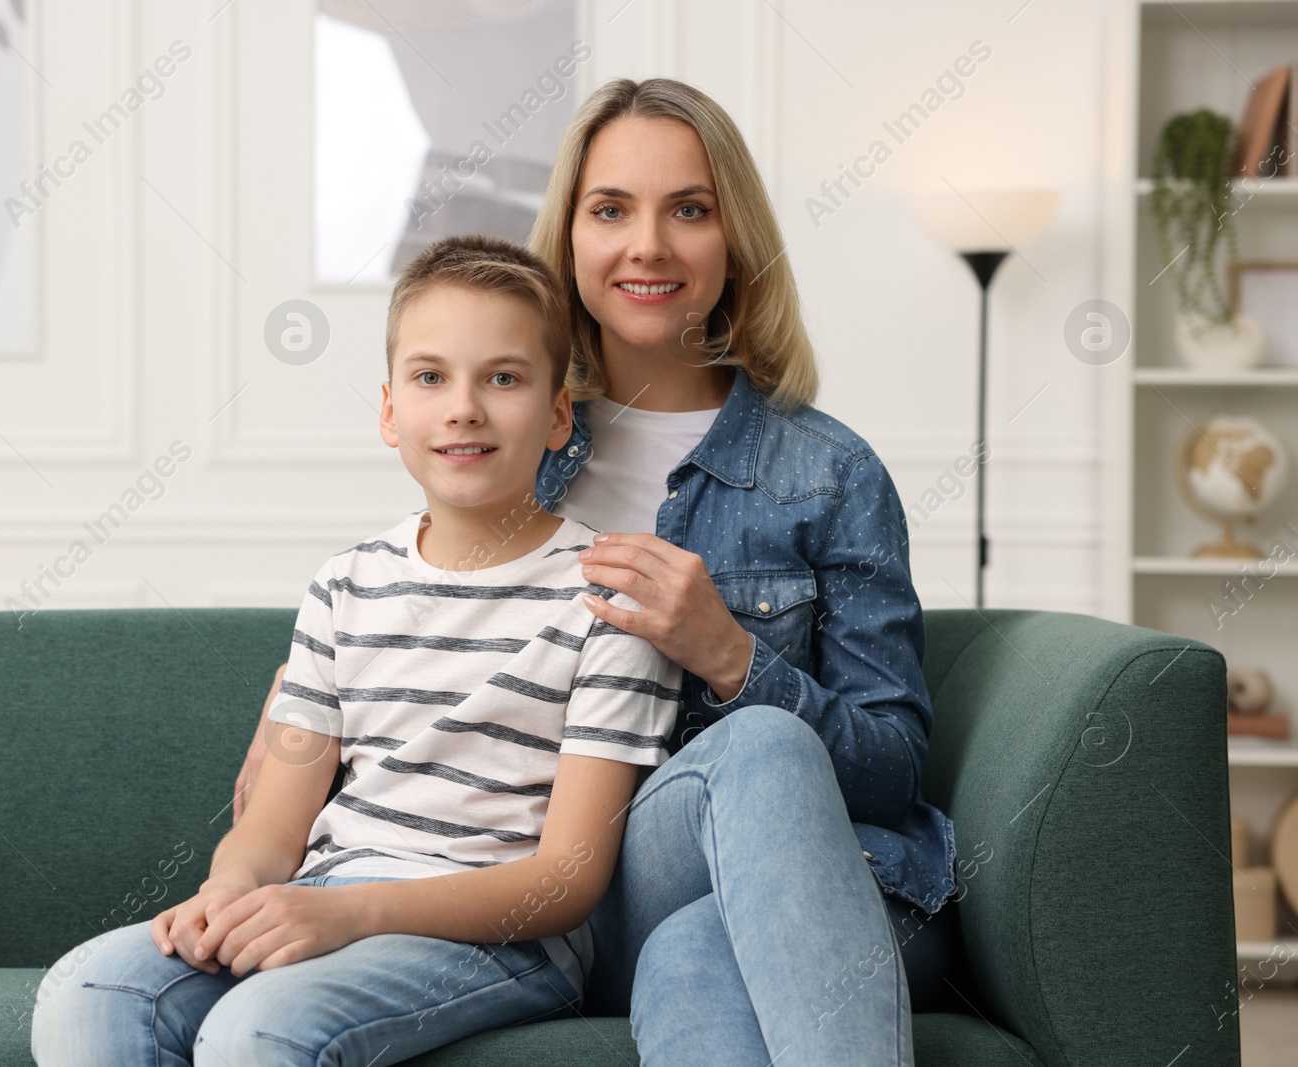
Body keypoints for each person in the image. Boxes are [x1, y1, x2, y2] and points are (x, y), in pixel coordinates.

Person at [235, 78, 963, 1066]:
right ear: (568, 234)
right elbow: (412, 618)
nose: (648, 247)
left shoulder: (828, 473)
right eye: (610, 209)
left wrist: (732, 654)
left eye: (690, 210)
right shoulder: (507, 425)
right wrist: (310, 699)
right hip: (581, 885)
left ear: (733, 238)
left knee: (708, 912)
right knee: (693, 889)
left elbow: (890, 769)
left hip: (811, 885)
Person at [29, 233, 683, 1066]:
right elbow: (271, 828)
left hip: (501, 938)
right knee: (89, 991)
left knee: (252, 1030)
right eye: (430, 376)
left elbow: (566, 880)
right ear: (388, 410)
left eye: (505, 377)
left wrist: (353, 913)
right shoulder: (344, 586)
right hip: (322, 897)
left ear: (559, 414)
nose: (463, 407)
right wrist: (227, 892)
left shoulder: (608, 598)